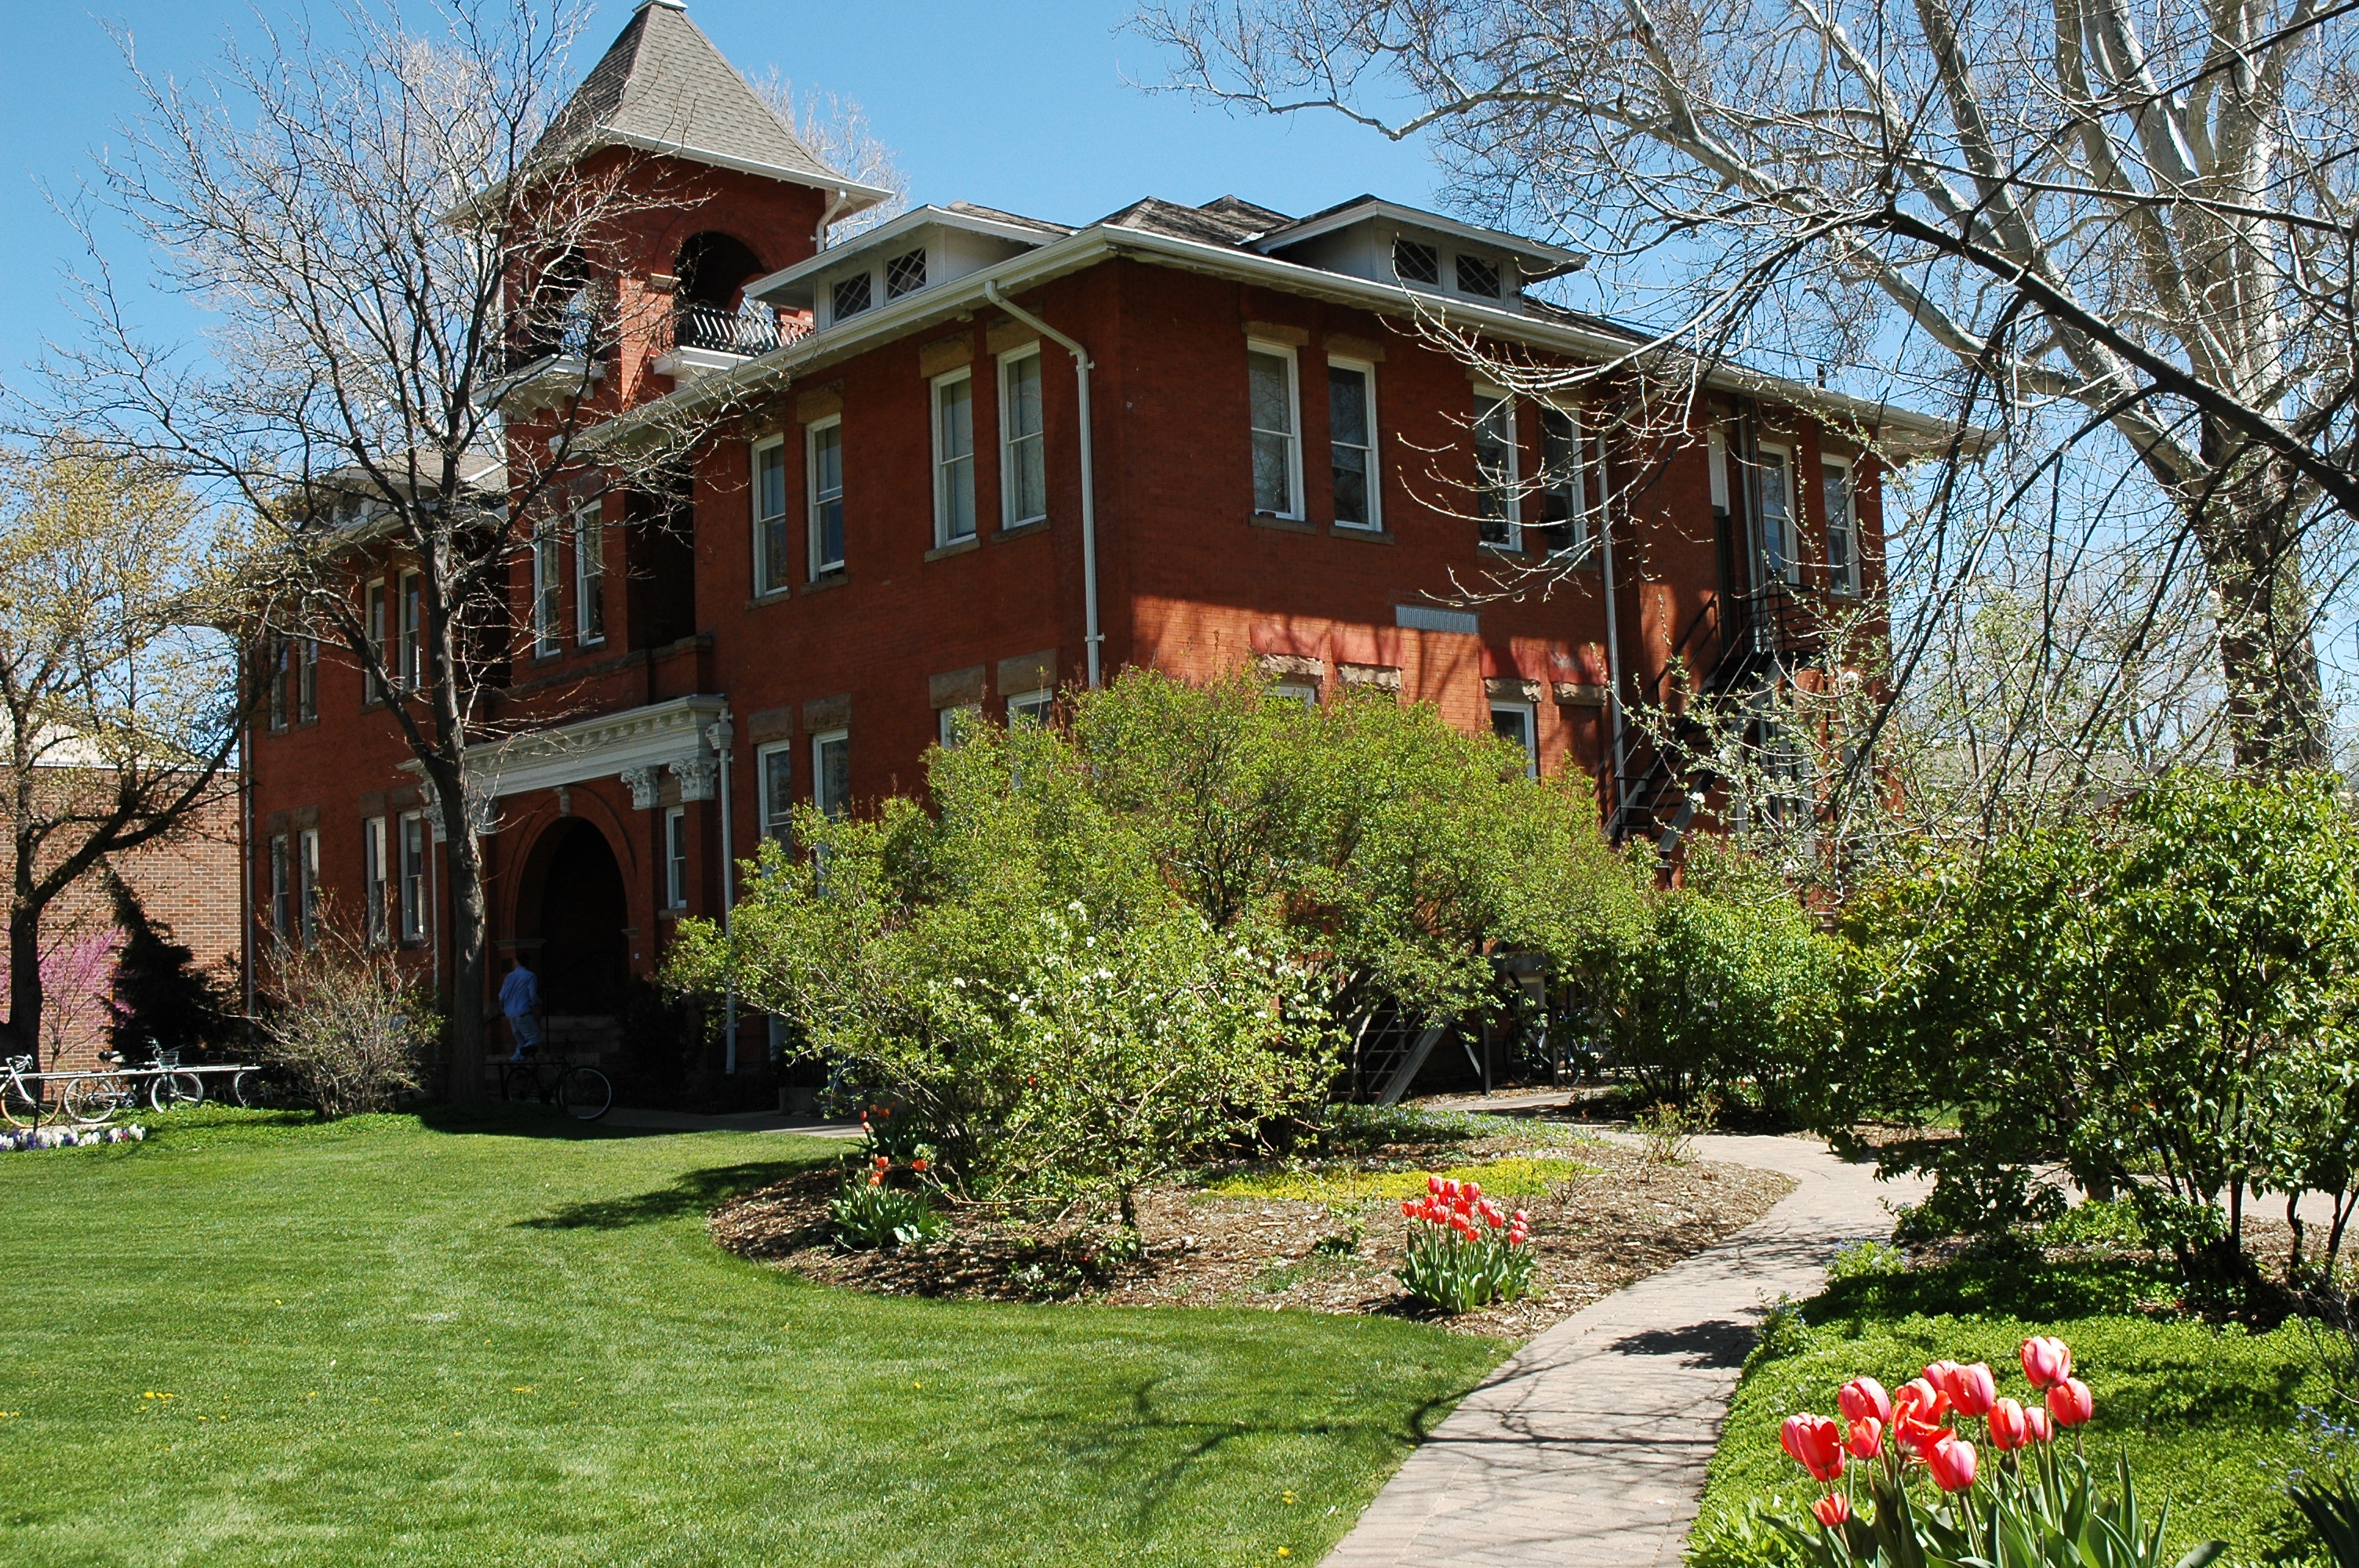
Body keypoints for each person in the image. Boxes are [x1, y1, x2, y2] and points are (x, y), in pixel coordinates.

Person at [499, 953, 544, 1062]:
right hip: (523, 1011)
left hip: (511, 1013)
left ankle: (516, 1060)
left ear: (516, 962)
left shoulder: (509, 977)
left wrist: (503, 1007)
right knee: (535, 1038)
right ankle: (520, 1055)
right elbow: (532, 994)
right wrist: (536, 1003)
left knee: (520, 1040)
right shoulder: (530, 976)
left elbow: (502, 996)